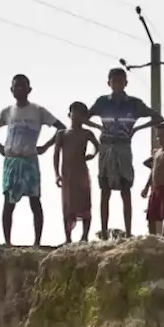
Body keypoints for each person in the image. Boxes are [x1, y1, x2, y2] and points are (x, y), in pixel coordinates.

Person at [0, 74, 65, 246]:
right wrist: (1, 148)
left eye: (23, 86)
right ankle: (7, 242)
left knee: (35, 200)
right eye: (16, 87)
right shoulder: (7, 112)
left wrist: (45, 146)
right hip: (12, 161)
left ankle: (37, 242)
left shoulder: (38, 111)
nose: (20, 89)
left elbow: (61, 128)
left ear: (29, 89)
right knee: (9, 202)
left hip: (30, 160)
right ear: (11, 90)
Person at [87, 67, 163, 239]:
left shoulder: (134, 103)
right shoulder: (102, 102)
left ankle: (128, 233)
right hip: (106, 146)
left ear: (126, 83)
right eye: (114, 81)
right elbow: (84, 116)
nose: (117, 84)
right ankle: (105, 232)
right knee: (105, 189)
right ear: (109, 83)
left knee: (125, 188)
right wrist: (98, 126)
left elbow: (158, 118)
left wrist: (137, 128)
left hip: (123, 146)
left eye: (121, 81)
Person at [49, 101, 100, 243]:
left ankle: (84, 236)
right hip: (67, 174)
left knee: (85, 204)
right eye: (74, 113)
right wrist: (57, 174)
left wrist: (92, 154)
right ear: (69, 115)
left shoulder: (87, 133)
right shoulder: (62, 133)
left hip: (81, 173)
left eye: (80, 114)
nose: (76, 116)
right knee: (67, 205)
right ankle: (68, 238)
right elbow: (56, 155)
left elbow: (98, 146)